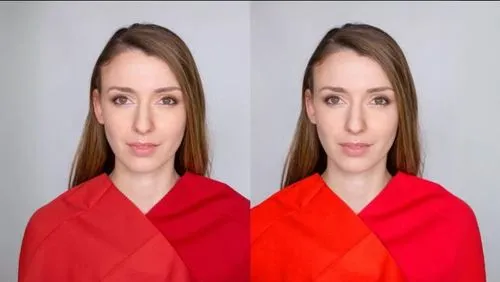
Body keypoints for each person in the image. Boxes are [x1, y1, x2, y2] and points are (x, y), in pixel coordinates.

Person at [251, 23, 486, 282]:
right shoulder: (260, 229)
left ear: (401, 109)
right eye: (334, 99)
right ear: (311, 107)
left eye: (379, 100)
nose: (355, 124)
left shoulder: (451, 223)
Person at [18, 23, 249, 282]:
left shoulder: (239, 221)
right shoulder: (51, 230)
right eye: (122, 100)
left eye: (166, 100)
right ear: (98, 107)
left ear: (189, 109)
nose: (143, 124)